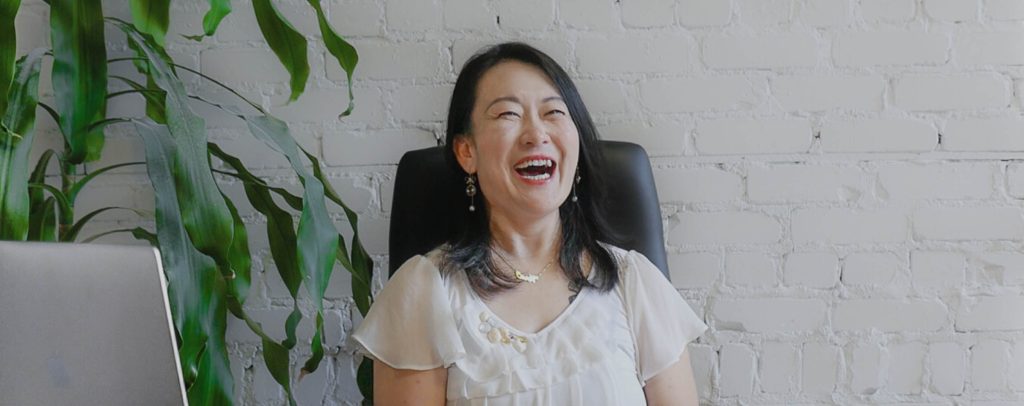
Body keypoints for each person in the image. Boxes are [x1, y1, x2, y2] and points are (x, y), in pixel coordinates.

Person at [351, 42, 707, 405]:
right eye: (508, 114)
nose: (536, 134)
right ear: (466, 152)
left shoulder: (634, 282)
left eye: (553, 112)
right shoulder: (425, 292)